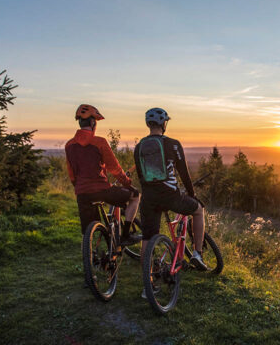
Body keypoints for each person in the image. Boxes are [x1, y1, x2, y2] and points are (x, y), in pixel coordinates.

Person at [134, 107, 208, 277]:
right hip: (171, 197)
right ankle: (197, 254)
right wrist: (192, 195)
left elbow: (141, 176)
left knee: (147, 238)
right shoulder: (173, 144)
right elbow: (184, 173)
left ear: (148, 124)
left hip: (149, 199)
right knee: (198, 210)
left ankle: (147, 282)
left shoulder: (139, 147)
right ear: (164, 123)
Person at [65, 104, 140, 245]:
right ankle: (125, 236)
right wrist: (127, 183)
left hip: (82, 193)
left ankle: (93, 253)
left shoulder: (69, 145)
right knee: (135, 196)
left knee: (89, 229)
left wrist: (79, 187)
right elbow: (114, 168)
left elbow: (71, 173)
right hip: (102, 190)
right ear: (93, 122)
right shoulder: (99, 142)